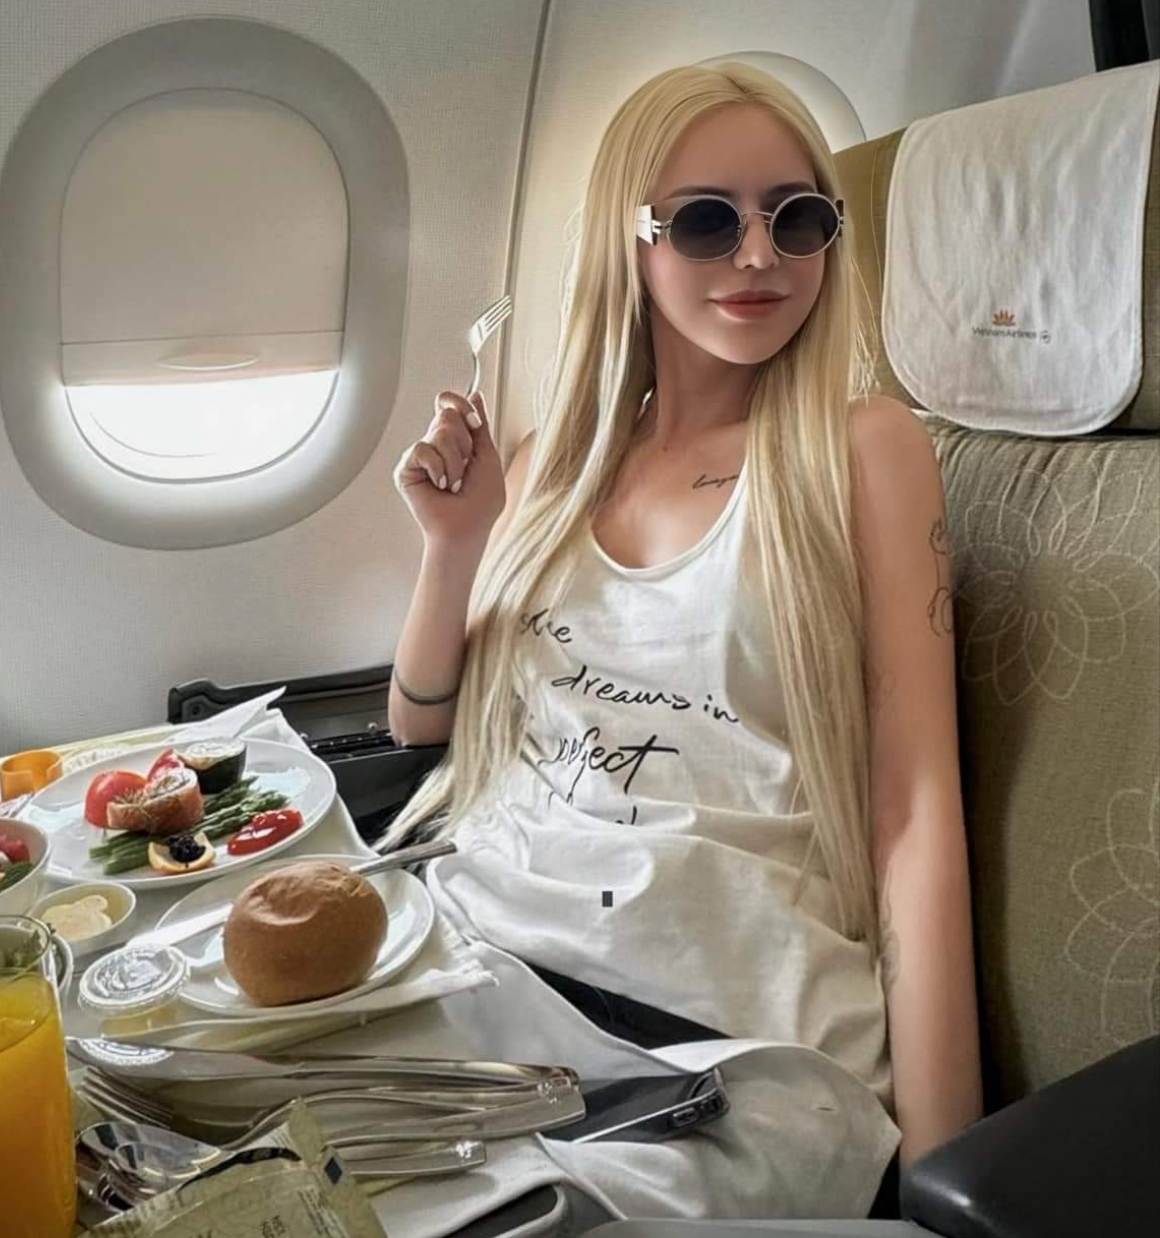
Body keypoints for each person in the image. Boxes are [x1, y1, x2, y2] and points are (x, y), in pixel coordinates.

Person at [387, 59, 982, 1177]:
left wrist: (950, 1185)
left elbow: (914, 811)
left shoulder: (861, 452)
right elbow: (423, 729)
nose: (759, 256)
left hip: (714, 1025)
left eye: (795, 219)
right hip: (475, 952)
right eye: (708, 221)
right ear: (632, 242)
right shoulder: (552, 466)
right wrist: (453, 548)